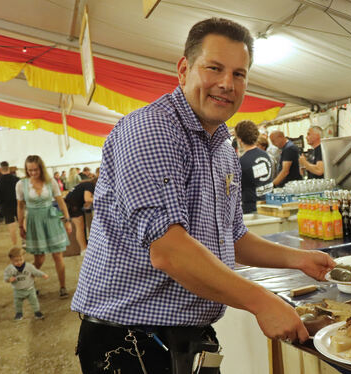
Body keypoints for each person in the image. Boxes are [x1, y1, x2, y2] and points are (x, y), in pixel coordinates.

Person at [70, 18, 335, 374]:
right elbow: (169, 250)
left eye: (239, 74)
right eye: (214, 68)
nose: (227, 84)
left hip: (187, 336)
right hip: (131, 339)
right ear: (184, 69)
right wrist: (262, 302)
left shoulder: (223, 147)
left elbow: (233, 236)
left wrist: (298, 259)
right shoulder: (153, 129)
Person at [16, 155, 72, 299]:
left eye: (36, 170)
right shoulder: (21, 184)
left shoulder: (50, 181)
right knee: (39, 258)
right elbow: (20, 206)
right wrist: (20, 226)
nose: (33, 173)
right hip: (34, 222)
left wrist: (67, 220)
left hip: (51, 220)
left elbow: (61, 202)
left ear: (41, 168)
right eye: (30, 170)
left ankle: (63, 287)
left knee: (58, 255)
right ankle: (30, 284)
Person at [235, 120, 273, 213]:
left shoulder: (242, 162)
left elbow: (236, 187)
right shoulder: (266, 155)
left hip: (251, 208)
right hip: (269, 204)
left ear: (240, 140)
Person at [4, 247, 48, 320]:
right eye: (16, 261)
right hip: (18, 290)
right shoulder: (9, 269)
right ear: (11, 260)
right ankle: (19, 313)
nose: (19, 262)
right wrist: (9, 279)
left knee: (34, 301)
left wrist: (43, 274)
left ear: (23, 257)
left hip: (30, 288)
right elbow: (5, 277)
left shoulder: (29, 266)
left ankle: (37, 312)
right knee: (18, 303)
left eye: (21, 259)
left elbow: (35, 271)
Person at [64, 178, 97, 252]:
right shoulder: (90, 185)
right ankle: (83, 249)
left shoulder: (86, 184)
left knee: (81, 227)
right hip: (72, 205)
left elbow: (86, 202)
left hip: (72, 204)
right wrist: (100, 199)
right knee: (80, 228)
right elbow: (87, 198)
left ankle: (84, 248)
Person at [0, 161, 20, 245]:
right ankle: (25, 242)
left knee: (11, 226)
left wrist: (0, 204)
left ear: (1, 169)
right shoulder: (16, 179)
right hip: (18, 204)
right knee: (22, 223)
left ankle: (15, 245)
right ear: (9, 168)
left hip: (6, 206)